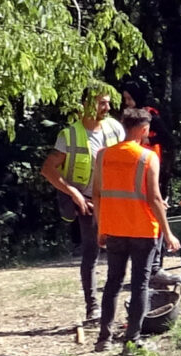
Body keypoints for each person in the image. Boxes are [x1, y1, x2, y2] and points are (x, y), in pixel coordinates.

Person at [89, 108, 180, 352]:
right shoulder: (148, 157)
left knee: (113, 283)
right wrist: (168, 233)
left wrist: (101, 227)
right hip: (143, 230)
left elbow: (97, 194)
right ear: (143, 129)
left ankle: (104, 339)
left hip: (114, 229)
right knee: (140, 284)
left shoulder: (103, 155)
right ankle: (132, 340)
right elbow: (155, 198)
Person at [41, 85, 123, 321]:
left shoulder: (115, 128)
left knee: (120, 251)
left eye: (108, 102)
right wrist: (74, 193)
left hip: (114, 200)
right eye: (102, 102)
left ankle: (115, 305)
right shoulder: (69, 135)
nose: (107, 107)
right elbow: (48, 169)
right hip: (87, 203)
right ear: (86, 105)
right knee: (91, 252)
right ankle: (93, 307)